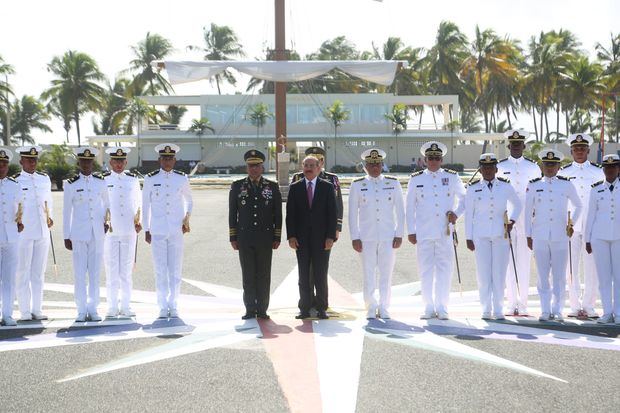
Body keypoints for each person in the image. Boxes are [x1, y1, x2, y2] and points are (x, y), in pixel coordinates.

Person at [406, 141, 465, 320]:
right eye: (430, 158)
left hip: (444, 232)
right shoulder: (416, 179)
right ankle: (428, 306)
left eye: (437, 158)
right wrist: (411, 230)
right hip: (423, 232)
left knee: (444, 270)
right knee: (425, 270)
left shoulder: (452, 177)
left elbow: (465, 198)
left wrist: (456, 214)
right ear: (425, 160)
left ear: (441, 160)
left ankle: (442, 306)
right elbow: (410, 207)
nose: (433, 161)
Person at [525, 149, 582, 322]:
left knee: (559, 276)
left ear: (558, 167)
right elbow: (527, 212)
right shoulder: (534, 184)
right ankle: (544, 309)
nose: (550, 168)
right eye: (547, 164)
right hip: (540, 236)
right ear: (542, 166)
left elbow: (578, 205)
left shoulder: (566, 184)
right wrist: (528, 234)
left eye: (553, 165)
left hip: (560, 235)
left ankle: (557, 309)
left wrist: (571, 224)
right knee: (542, 276)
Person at [348, 148, 404, 319]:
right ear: (365, 165)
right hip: (366, 237)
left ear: (382, 165)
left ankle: (384, 306)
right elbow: (352, 213)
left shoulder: (393, 183)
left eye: (377, 164)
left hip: (388, 236)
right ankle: (371, 306)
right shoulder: (357, 185)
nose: (374, 168)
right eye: (371, 164)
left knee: (386, 273)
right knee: (368, 273)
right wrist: (355, 237)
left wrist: (399, 234)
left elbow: (400, 212)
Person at [465, 153, 522, 320]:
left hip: (500, 235)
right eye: (485, 168)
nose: (488, 170)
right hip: (480, 236)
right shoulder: (473, 188)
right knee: (483, 274)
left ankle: (498, 308)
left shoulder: (505, 186)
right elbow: (469, 214)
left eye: (491, 167)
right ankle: (485, 308)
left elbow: (517, 204)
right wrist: (469, 237)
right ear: (480, 170)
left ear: (496, 169)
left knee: (499, 273)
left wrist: (512, 221)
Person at [229, 150, 282, 320]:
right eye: (251, 166)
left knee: (264, 275)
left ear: (262, 167)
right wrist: (233, 237)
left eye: (257, 166)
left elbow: (278, 214)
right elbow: (232, 214)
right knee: (248, 274)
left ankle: (263, 308)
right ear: (247, 167)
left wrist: (277, 236)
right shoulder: (237, 186)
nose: (254, 169)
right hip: (244, 238)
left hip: (265, 239)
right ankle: (250, 309)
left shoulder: (272, 187)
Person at [142, 143, 193, 319]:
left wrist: (187, 217)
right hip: (157, 230)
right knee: (160, 269)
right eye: (164, 158)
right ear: (159, 160)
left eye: (170, 158)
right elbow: (145, 205)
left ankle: (174, 304)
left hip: (176, 230)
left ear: (175, 160)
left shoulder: (182, 178)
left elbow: (189, 200)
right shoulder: (150, 178)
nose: (167, 161)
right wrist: (146, 229)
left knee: (175, 269)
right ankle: (163, 305)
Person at [558, 133, 604, 318]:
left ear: (588, 150)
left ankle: (589, 305)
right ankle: (575, 305)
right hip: (571, 227)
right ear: (571, 151)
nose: (579, 151)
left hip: (592, 226)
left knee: (591, 267)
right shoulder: (564, 172)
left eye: (582, 148)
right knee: (571, 268)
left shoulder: (598, 171)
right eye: (576, 149)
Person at [496, 129, 541, 316]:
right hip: (505, 217)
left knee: (524, 260)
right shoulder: (499, 166)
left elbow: (539, 192)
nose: (516, 146)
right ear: (509, 146)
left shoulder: (533, 167)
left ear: (524, 146)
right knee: (507, 262)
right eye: (513, 144)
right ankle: (511, 303)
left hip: (526, 218)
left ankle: (522, 303)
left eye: (519, 143)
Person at [286, 155, 337, 319]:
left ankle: (322, 308)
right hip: (301, 240)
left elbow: (332, 214)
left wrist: (331, 236)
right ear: (302, 167)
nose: (308, 168)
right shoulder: (294, 187)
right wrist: (291, 236)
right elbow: (290, 215)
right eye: (306, 165)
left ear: (318, 167)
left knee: (320, 274)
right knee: (303, 275)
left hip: (322, 239)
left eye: (312, 165)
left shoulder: (327, 187)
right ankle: (304, 308)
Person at [63, 147, 110, 322]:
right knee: (80, 274)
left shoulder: (101, 181)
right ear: (79, 163)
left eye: (89, 161)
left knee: (95, 273)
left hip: (97, 233)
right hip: (78, 234)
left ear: (93, 163)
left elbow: (107, 204)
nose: (87, 164)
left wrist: (107, 221)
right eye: (83, 161)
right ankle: (81, 310)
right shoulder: (71, 184)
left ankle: (93, 308)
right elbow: (67, 212)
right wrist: (66, 236)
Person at [13, 146, 53, 321]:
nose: (32, 162)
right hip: (23, 233)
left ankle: (37, 309)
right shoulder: (15, 181)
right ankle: (24, 311)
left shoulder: (44, 179)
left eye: (34, 159)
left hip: (42, 231)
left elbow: (48, 202)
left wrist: (51, 217)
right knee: (22, 271)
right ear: (21, 161)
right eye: (29, 159)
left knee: (38, 272)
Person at [102, 147, 142, 318]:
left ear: (126, 162)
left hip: (128, 230)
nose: (118, 164)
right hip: (109, 232)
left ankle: (125, 306)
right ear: (110, 162)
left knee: (126, 271)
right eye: (115, 161)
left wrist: (140, 222)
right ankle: (111, 306)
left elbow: (139, 202)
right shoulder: (102, 180)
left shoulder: (132, 180)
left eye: (121, 161)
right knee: (111, 270)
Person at [584, 154, 620, 324]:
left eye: (613, 167)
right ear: (603, 170)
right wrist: (587, 239)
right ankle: (607, 312)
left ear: (618, 169)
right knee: (604, 277)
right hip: (600, 238)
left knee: (619, 277)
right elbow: (590, 215)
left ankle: (619, 313)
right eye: (607, 167)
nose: (610, 170)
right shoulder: (595, 189)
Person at [0, 148, 24, 326]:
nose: (1, 167)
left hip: (11, 237)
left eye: (4, 164)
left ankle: (7, 314)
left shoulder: (14, 185)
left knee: (9, 278)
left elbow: (21, 208)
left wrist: (20, 222)